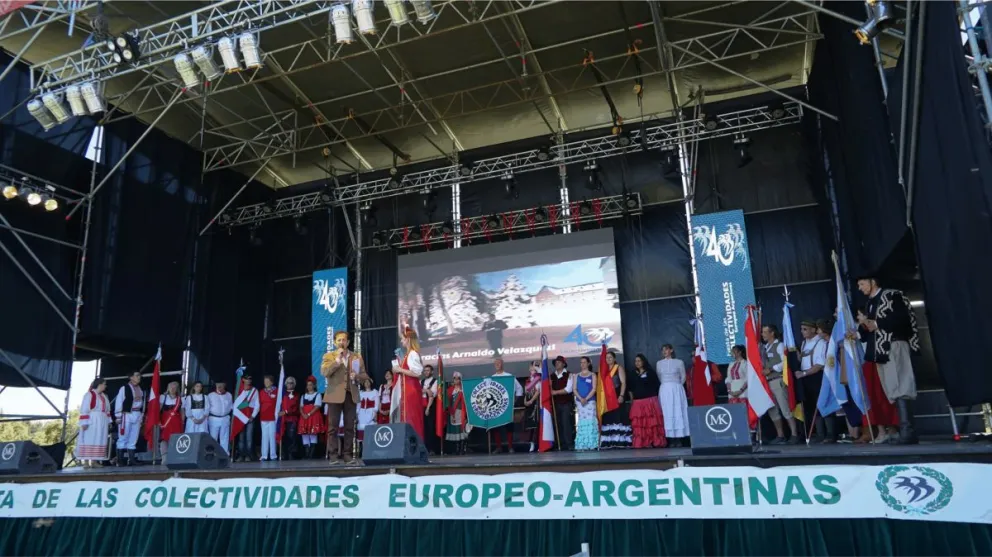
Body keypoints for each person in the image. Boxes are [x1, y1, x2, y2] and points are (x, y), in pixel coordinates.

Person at [857, 274, 920, 445]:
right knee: (891, 388)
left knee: (901, 386)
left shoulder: (892, 295)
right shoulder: (870, 303)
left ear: (872, 282)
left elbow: (903, 320)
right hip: (879, 351)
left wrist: (874, 323)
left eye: (862, 284)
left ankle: (908, 431)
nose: (860, 288)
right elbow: (868, 330)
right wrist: (863, 326)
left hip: (894, 345)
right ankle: (901, 430)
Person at [321, 331, 369, 465]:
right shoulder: (329, 356)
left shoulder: (356, 357)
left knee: (349, 426)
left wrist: (357, 377)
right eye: (339, 340)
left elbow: (365, 375)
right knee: (333, 427)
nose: (342, 342)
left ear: (348, 342)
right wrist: (336, 362)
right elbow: (324, 372)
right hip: (334, 395)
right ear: (335, 342)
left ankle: (348, 455)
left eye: (344, 340)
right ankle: (333, 456)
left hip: (351, 395)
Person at [855, 307, 898, 444]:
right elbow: (860, 336)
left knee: (887, 396)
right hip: (869, 364)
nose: (858, 317)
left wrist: (866, 321)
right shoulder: (862, 330)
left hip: (882, 361)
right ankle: (881, 431)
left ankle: (893, 429)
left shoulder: (880, 326)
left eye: (860, 315)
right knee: (873, 398)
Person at [761, 325, 801, 444]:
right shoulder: (765, 347)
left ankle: (794, 434)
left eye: (764, 332)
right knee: (773, 410)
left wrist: (772, 369)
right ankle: (780, 435)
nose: (762, 334)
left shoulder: (779, 345)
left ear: (772, 333)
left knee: (785, 408)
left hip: (777, 380)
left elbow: (784, 362)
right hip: (767, 382)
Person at [390, 327, 425, 441]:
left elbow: (417, 372)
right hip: (407, 390)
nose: (401, 341)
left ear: (408, 339)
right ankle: (409, 447)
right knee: (406, 417)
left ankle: (417, 447)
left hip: (412, 390)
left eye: (403, 339)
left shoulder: (413, 354)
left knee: (412, 417)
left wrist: (400, 370)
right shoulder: (407, 355)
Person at [794, 319, 826, 442]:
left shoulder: (820, 342)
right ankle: (810, 433)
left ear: (813, 329)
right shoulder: (803, 343)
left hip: (815, 376)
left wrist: (805, 373)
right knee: (808, 407)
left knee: (819, 405)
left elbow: (819, 364)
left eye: (805, 329)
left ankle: (823, 433)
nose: (802, 332)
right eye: (801, 329)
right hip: (804, 377)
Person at [627, 354, 666, 448]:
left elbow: (656, 385)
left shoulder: (650, 372)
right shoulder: (632, 373)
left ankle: (655, 441)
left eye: (639, 361)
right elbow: (630, 388)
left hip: (650, 401)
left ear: (643, 361)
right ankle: (642, 443)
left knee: (652, 423)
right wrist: (632, 399)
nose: (637, 363)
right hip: (638, 402)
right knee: (640, 425)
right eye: (636, 361)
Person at [655, 345, 690, 446]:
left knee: (677, 411)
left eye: (666, 349)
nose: (664, 351)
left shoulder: (679, 362)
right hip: (665, 390)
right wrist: (667, 385)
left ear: (671, 350)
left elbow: (683, 377)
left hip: (676, 389)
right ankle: (669, 438)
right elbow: (659, 377)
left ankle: (679, 437)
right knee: (667, 412)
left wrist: (676, 386)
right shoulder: (659, 363)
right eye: (663, 350)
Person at [600, 350, 631, 450]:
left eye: (610, 357)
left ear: (614, 358)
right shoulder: (604, 370)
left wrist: (621, 395)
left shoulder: (618, 368)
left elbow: (623, 383)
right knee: (609, 419)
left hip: (617, 396)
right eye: (607, 358)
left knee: (618, 418)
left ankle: (620, 441)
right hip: (607, 399)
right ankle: (610, 441)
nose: (608, 359)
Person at [490, 357, 523, 453]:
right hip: (495, 407)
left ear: (502, 364)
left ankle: (510, 447)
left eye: (498, 363)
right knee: (495, 427)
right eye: (495, 363)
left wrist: (515, 401)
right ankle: (499, 447)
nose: (497, 365)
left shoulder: (509, 376)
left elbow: (519, 388)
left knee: (509, 427)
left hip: (507, 406)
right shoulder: (492, 378)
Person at [77, 378, 110, 468]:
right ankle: (86, 462)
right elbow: (84, 409)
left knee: (99, 438)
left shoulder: (104, 396)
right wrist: (84, 422)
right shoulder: (89, 394)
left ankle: (94, 461)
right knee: (89, 438)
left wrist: (108, 421)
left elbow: (107, 410)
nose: (105, 386)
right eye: (104, 384)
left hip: (101, 420)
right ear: (99, 384)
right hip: (92, 419)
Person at [114, 371, 145, 467]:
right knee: (123, 437)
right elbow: (119, 402)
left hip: (137, 414)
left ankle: (131, 460)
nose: (139, 377)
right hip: (126, 414)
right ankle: (120, 460)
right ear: (131, 377)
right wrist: (118, 416)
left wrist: (142, 415)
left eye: (139, 376)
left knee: (134, 437)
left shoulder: (140, 389)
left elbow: (142, 403)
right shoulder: (125, 388)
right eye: (137, 375)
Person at [568, 356, 598, 451]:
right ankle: (582, 444)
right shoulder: (577, 375)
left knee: (590, 422)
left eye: (584, 362)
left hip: (590, 402)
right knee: (582, 422)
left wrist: (586, 398)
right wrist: (581, 398)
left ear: (589, 363)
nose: (582, 364)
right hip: (580, 402)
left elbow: (594, 389)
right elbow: (574, 389)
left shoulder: (593, 375)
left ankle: (592, 443)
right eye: (581, 362)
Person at [549, 356, 574, 451]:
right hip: (555, 404)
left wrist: (555, 392)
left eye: (559, 362)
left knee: (566, 423)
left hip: (566, 403)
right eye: (556, 362)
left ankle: (569, 444)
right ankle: (560, 443)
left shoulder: (569, 375)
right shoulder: (551, 376)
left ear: (564, 364)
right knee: (557, 424)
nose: (557, 364)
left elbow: (568, 389)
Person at [232, 376, 260, 462]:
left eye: (250, 379)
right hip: (241, 417)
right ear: (243, 380)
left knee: (249, 438)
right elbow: (235, 405)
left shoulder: (254, 390)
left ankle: (249, 456)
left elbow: (257, 404)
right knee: (241, 438)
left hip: (250, 417)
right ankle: (241, 455)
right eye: (247, 379)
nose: (248, 381)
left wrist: (253, 416)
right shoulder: (239, 390)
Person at [299, 376, 325, 459]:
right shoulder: (303, 396)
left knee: (312, 434)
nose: (309, 386)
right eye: (308, 385)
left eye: (310, 385)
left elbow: (317, 406)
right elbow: (301, 406)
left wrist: (309, 414)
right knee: (305, 434)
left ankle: (311, 454)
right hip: (304, 417)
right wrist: (303, 414)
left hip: (313, 416)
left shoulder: (317, 395)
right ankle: (307, 453)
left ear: (314, 385)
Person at [158, 381, 184, 462]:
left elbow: (182, 411)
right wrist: (158, 421)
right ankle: (164, 458)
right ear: (168, 388)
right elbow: (158, 410)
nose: (172, 389)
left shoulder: (180, 399)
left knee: (176, 439)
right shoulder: (163, 397)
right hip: (165, 421)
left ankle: (175, 457)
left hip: (176, 422)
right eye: (171, 387)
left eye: (174, 387)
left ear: (177, 389)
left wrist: (182, 422)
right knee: (164, 439)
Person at [445, 372, 469, 455]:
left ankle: (463, 448)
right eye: (454, 378)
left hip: (461, 412)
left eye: (458, 378)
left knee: (462, 430)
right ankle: (457, 448)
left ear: (460, 379)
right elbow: (447, 402)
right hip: (452, 413)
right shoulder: (449, 390)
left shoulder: (464, 389)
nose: (456, 380)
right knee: (455, 431)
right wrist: (451, 411)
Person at [207, 381, 233, 454]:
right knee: (213, 438)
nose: (219, 386)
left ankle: (224, 454)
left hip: (225, 418)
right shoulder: (210, 395)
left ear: (224, 385)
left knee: (224, 438)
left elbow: (231, 406)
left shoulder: (229, 395)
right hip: (214, 419)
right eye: (217, 384)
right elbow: (207, 408)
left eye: (221, 385)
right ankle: (212, 454)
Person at [421, 364, 441, 455]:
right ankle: (425, 448)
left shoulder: (435, 381)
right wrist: (426, 390)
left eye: (428, 370)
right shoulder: (421, 381)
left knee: (431, 428)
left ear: (432, 372)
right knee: (423, 428)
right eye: (425, 370)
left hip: (430, 406)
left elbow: (432, 395)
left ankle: (432, 449)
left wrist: (428, 408)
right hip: (421, 405)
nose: (426, 372)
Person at [356, 377, 379, 454]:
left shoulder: (375, 392)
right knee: (362, 432)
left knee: (370, 430)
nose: (367, 383)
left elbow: (377, 404)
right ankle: (363, 450)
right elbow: (358, 405)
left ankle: (370, 450)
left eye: (368, 382)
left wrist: (375, 412)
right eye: (365, 382)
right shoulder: (361, 393)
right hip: (362, 414)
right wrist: (357, 413)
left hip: (371, 412)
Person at [258, 375, 279, 461]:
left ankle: (273, 455)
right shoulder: (261, 392)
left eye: (267, 381)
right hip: (263, 417)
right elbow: (258, 404)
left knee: (272, 436)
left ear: (272, 382)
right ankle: (264, 455)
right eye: (265, 381)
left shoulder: (277, 391)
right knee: (264, 436)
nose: (266, 383)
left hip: (273, 418)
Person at [523, 361, 542, 452]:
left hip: (535, 404)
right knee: (529, 425)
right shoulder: (527, 380)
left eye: (535, 367)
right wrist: (525, 401)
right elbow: (525, 393)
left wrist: (531, 401)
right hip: (528, 405)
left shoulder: (538, 379)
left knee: (536, 424)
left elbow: (538, 392)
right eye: (531, 367)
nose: (532, 369)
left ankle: (537, 443)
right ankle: (531, 443)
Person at [279, 376, 300, 459]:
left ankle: (292, 454)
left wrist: (286, 412)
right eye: (288, 383)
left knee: (292, 437)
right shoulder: (282, 394)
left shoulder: (296, 395)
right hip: (283, 419)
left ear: (294, 384)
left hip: (292, 419)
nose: (289, 385)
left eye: (291, 383)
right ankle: (284, 454)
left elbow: (296, 408)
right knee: (284, 436)